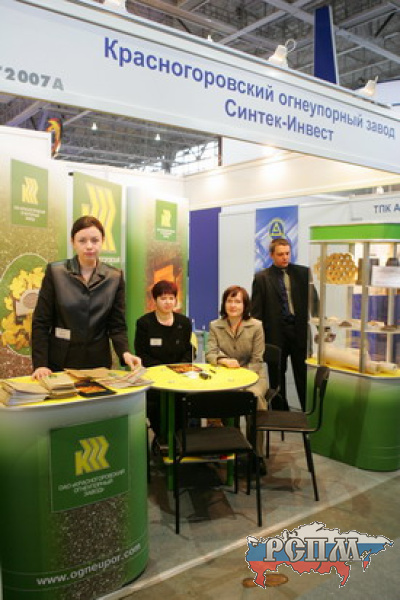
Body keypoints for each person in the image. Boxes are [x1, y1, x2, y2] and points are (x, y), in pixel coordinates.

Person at [31, 215, 141, 379]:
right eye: (82, 240)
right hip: (60, 361)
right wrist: (41, 364)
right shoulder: (56, 272)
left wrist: (125, 352)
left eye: (95, 240)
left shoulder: (114, 277)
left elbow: (117, 325)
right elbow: (41, 322)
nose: (89, 246)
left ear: (103, 241)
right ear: (73, 242)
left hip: (98, 363)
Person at [206, 285, 268, 475]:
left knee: (254, 398)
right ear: (224, 303)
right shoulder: (215, 325)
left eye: (238, 301)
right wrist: (223, 360)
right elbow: (210, 354)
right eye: (229, 301)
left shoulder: (256, 326)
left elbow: (257, 360)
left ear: (245, 305)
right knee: (218, 397)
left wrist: (241, 379)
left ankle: (256, 454)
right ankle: (226, 447)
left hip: (253, 375)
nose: (233, 305)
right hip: (225, 376)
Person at [251, 237, 316, 411]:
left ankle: (307, 411)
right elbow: (256, 313)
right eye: (280, 254)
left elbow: (314, 302)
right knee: (277, 377)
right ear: (271, 255)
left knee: (303, 375)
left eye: (287, 253)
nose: (285, 257)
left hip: (299, 331)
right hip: (275, 334)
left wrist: (321, 325)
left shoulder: (303, 273)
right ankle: (280, 414)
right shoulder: (262, 278)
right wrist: (257, 340)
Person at [134, 280, 193, 438]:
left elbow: (188, 350)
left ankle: (178, 440)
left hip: (180, 376)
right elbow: (142, 354)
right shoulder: (144, 323)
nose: (168, 302)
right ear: (155, 300)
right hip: (155, 379)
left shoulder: (184, 322)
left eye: (171, 298)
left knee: (183, 407)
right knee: (157, 410)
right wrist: (163, 371)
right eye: (163, 298)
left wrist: (180, 368)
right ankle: (162, 439)